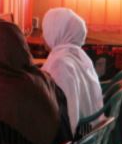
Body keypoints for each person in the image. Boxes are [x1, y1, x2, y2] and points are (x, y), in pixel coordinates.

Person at [41, 8, 103, 136]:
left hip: (75, 143)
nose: (42, 36)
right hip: (88, 133)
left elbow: (67, 119)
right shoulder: (79, 56)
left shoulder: (60, 64)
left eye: (46, 30)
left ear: (57, 32)